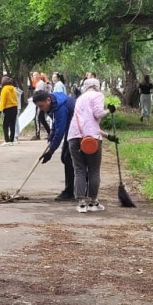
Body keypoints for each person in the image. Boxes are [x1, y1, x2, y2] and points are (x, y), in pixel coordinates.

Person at [67, 79, 108, 213]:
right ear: (97, 86)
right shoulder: (98, 95)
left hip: (74, 136)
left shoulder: (80, 98)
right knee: (94, 170)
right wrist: (109, 111)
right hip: (91, 139)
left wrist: (107, 135)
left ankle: (81, 203)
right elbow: (98, 114)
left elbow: (84, 121)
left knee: (79, 170)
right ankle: (93, 202)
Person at [31, 89, 77, 201]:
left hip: (77, 130)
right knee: (66, 158)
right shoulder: (53, 102)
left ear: (47, 100)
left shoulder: (61, 107)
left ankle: (70, 191)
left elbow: (60, 131)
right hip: (70, 129)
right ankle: (72, 189)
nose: (41, 109)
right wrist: (51, 133)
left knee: (68, 158)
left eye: (41, 106)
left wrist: (51, 151)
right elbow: (56, 123)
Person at [0, 75, 19, 143]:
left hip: (7, 109)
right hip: (15, 107)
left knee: (5, 125)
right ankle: (12, 139)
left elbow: (3, 100)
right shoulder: (13, 88)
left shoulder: (4, 89)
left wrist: (0, 110)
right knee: (12, 124)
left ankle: (6, 140)